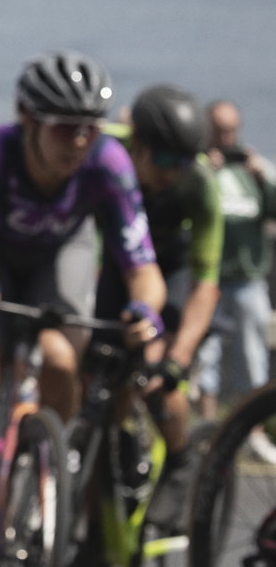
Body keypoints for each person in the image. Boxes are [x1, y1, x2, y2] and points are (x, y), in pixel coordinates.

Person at [0, 51, 165, 514]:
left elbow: (143, 270)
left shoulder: (109, 161)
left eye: (90, 127)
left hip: (61, 254)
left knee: (60, 359)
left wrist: (146, 311)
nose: (79, 141)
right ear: (27, 119)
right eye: (64, 126)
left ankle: (44, 487)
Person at [97, 83, 223, 533]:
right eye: (167, 161)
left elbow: (206, 284)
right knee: (96, 368)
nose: (176, 173)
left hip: (168, 269)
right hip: (113, 262)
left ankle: (182, 458)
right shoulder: (105, 151)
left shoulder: (199, 182)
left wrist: (179, 357)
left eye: (185, 163)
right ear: (139, 147)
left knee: (157, 370)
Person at [196, 99, 276, 459]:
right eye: (218, 129)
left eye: (230, 130)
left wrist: (263, 178)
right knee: (205, 357)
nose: (225, 137)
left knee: (252, 357)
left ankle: (253, 431)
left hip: (248, 279)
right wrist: (204, 174)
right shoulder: (198, 169)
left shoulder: (252, 170)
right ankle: (207, 430)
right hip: (209, 281)